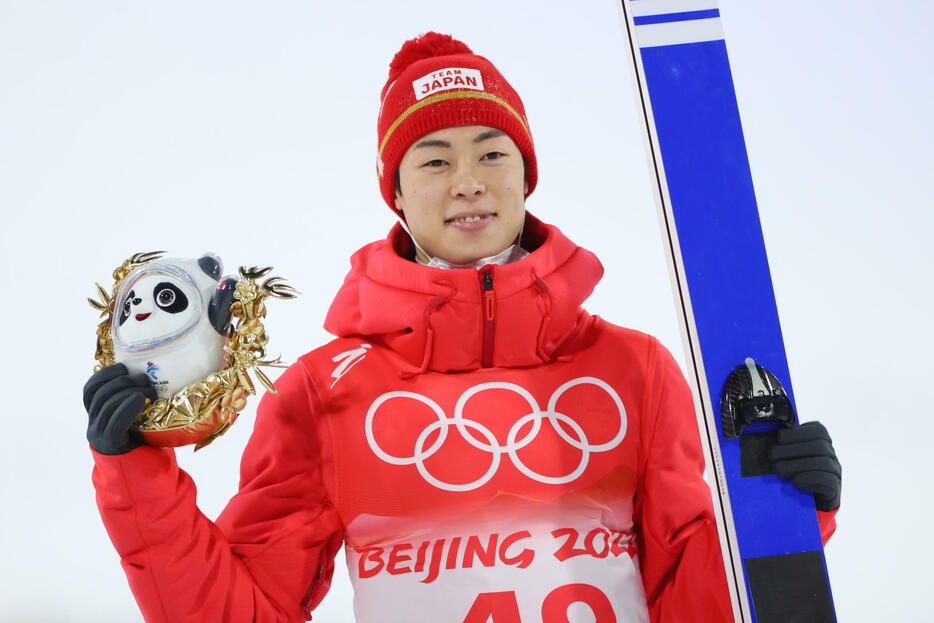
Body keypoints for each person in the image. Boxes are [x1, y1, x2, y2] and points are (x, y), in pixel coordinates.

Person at [83, 32, 841, 622]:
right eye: (435, 160)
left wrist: (782, 510)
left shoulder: (633, 369)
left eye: (491, 152)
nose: (469, 181)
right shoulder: (323, 394)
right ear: (398, 193)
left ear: (525, 172)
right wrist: (136, 478)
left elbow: (693, 603)